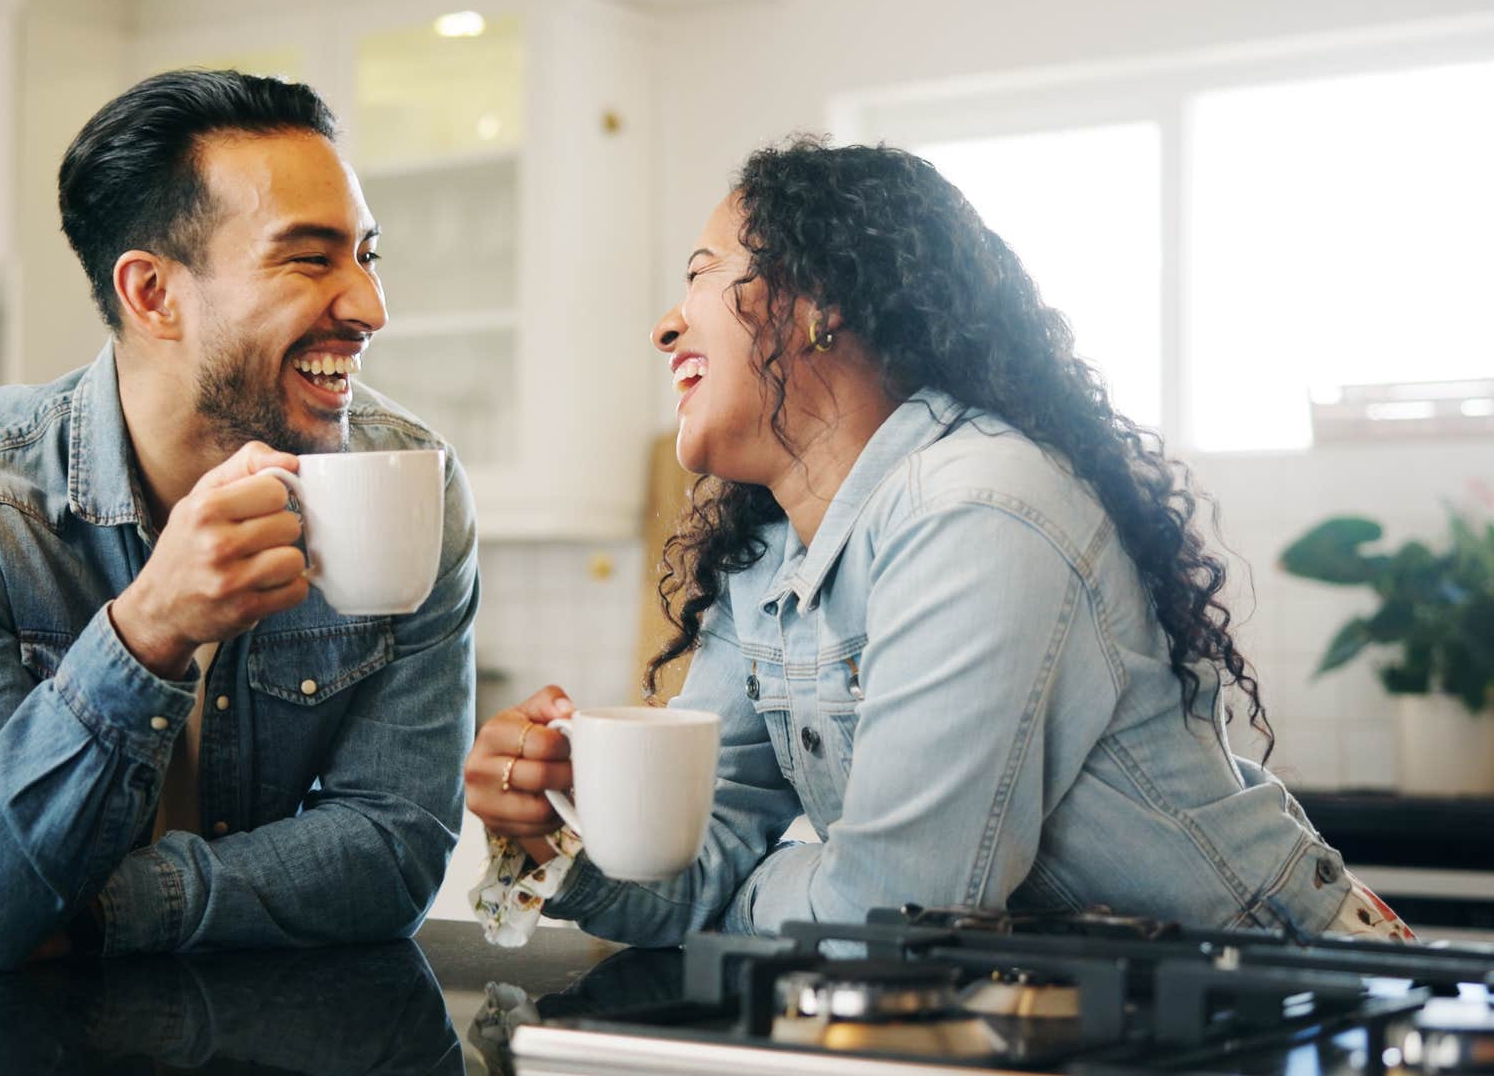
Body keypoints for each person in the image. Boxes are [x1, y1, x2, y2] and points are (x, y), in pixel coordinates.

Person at [465, 138, 1412, 947]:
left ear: (819, 302)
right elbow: (700, 858)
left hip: (1287, 995)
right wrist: (566, 834)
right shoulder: (768, 561)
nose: (668, 322)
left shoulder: (980, 510)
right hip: (1082, 1015)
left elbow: (892, 917)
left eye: (707, 271)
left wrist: (749, 898)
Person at [0, 70, 479, 978]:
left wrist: (101, 913)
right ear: (152, 294)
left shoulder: (412, 484)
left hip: (252, 1029)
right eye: (310, 257)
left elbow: (393, 851)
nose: (369, 308)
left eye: (367, 256)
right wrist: (149, 631)